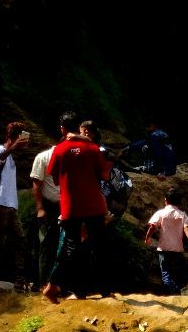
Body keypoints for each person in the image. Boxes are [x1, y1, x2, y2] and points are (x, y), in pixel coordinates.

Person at [42, 119, 112, 304]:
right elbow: (105, 175)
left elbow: (54, 177)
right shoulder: (93, 149)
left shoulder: (59, 149)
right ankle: (105, 291)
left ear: (64, 129)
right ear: (81, 131)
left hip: (70, 205)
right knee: (98, 247)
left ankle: (75, 290)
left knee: (72, 248)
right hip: (93, 205)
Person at [0, 121, 32, 292]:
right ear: (14, 137)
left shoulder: (11, 157)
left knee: (21, 240)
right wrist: (12, 148)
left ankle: (19, 281)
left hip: (11, 206)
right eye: (21, 137)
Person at [31, 112, 76, 285]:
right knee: (47, 245)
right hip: (49, 207)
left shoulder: (73, 157)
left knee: (66, 245)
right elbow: (36, 184)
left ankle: (61, 284)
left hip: (68, 206)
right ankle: (44, 283)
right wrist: (40, 208)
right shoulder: (43, 157)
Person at [146, 190, 188, 294]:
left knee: (166, 274)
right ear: (179, 202)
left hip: (164, 248)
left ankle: (175, 292)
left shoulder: (161, 213)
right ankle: (176, 291)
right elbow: (186, 228)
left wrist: (147, 237)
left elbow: (152, 226)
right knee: (174, 273)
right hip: (177, 249)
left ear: (166, 200)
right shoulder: (182, 215)